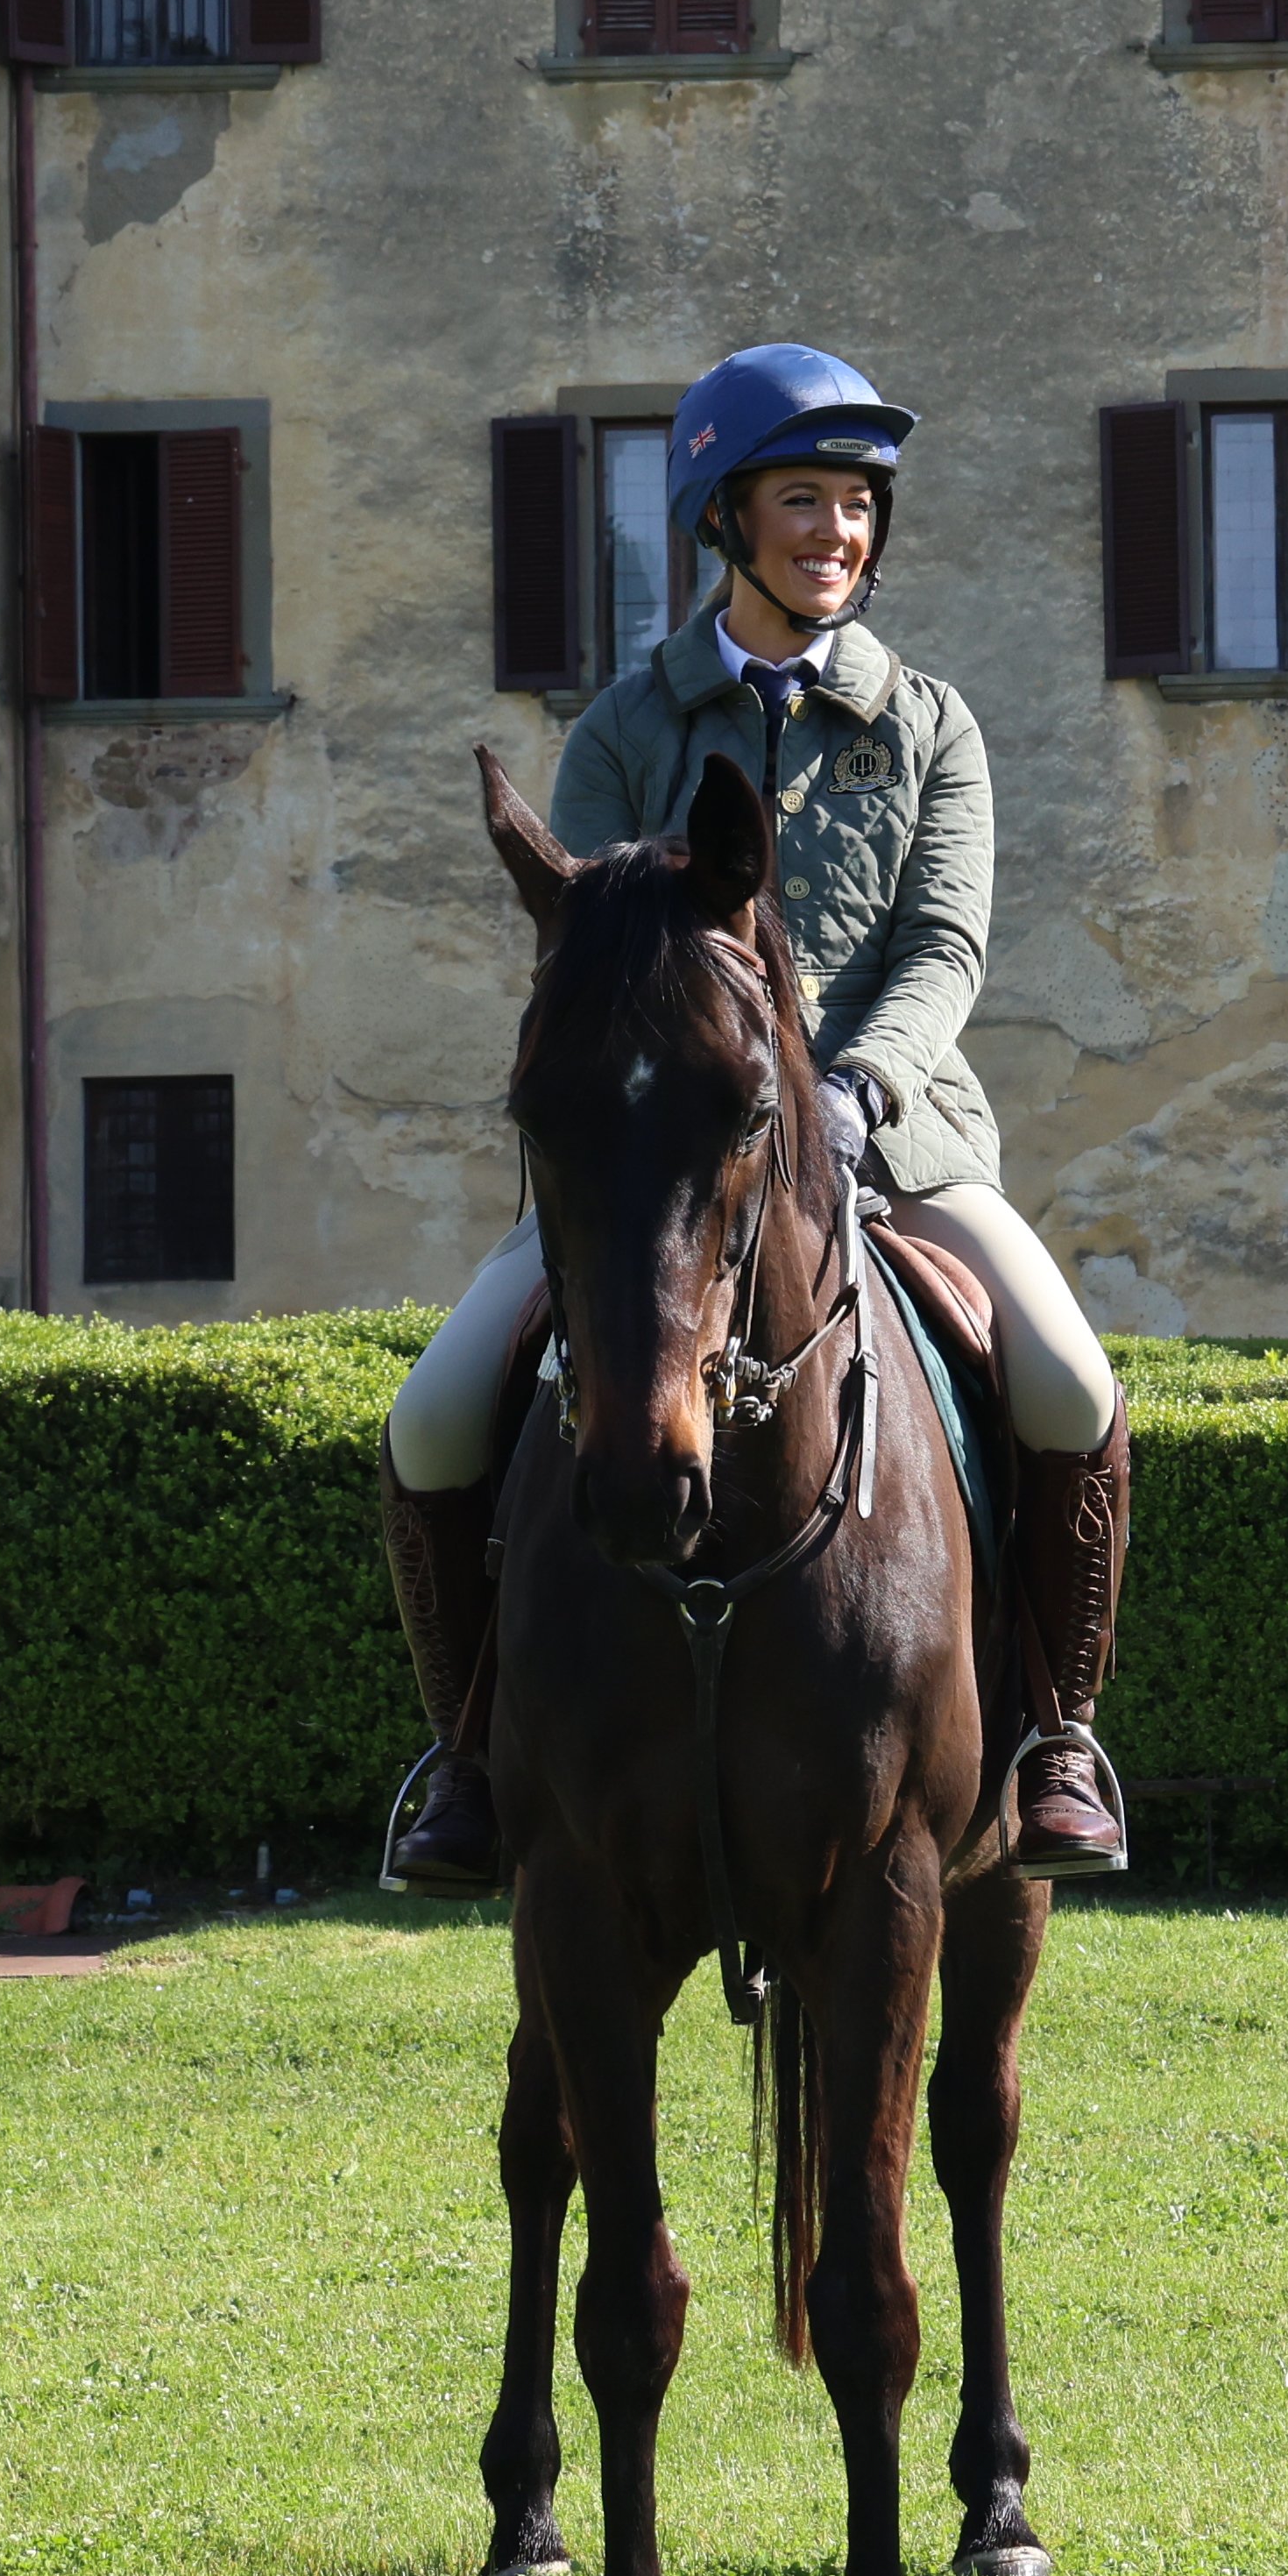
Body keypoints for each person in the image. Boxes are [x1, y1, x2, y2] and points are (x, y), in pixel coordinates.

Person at [381, 341, 1134, 1890]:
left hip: (902, 1147)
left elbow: (945, 947)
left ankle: (1058, 1735)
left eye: (857, 507)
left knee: (1072, 1384)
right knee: (435, 1416)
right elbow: (589, 955)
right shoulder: (623, 732)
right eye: (804, 501)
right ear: (724, 521)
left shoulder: (932, 725)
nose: (837, 534)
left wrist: (857, 1089)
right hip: (659, 1176)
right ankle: (465, 1759)